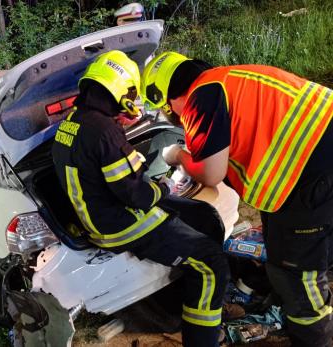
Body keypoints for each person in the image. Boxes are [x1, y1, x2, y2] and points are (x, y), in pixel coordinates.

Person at [141, 51, 333, 346]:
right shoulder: (230, 78)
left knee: (296, 272)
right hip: (314, 156)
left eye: (168, 110)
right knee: (297, 246)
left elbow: (211, 172)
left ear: (168, 97)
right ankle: (292, 307)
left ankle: (311, 334)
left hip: (311, 174)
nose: (174, 117)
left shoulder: (200, 98)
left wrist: (177, 155)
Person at [52, 50, 230, 346]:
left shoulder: (69, 125)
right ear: (120, 89)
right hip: (123, 225)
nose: (133, 100)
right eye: (132, 92)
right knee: (212, 262)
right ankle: (202, 338)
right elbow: (136, 195)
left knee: (202, 217)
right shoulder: (104, 131)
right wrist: (163, 188)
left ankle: (185, 305)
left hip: (99, 219)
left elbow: (110, 176)